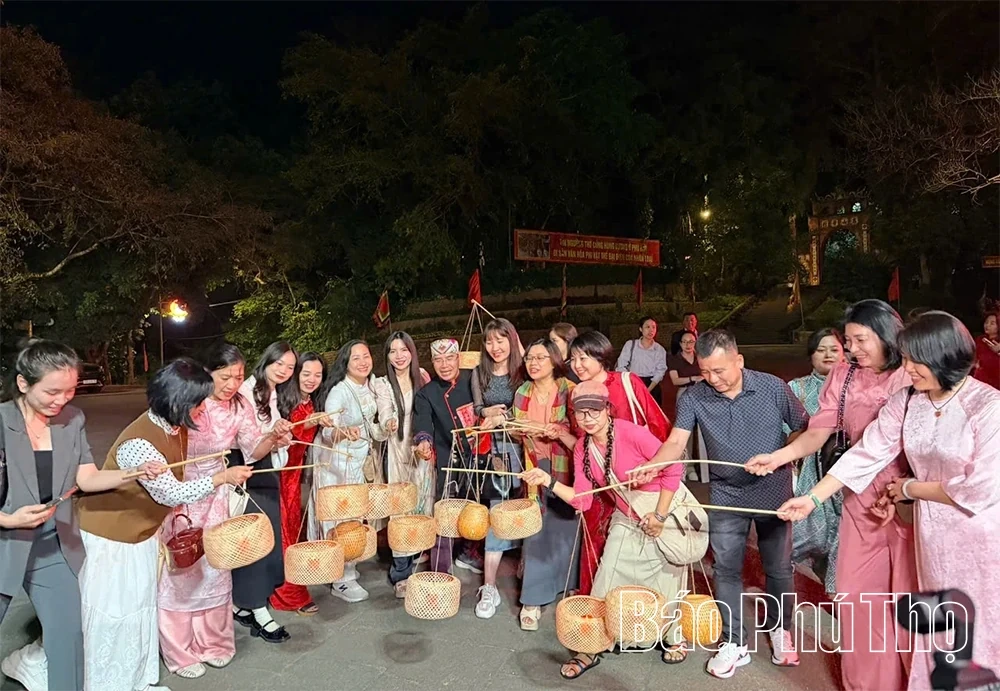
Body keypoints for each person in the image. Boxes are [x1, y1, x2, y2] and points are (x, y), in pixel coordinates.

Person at [777, 311, 1000, 688]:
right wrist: (812, 499)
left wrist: (909, 489)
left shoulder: (987, 406)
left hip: (979, 538)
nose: (907, 367)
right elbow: (867, 452)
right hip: (930, 538)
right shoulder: (908, 399)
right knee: (937, 632)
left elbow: (981, 488)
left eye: (915, 360)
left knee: (978, 628)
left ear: (943, 357)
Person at [747, 300, 918, 691]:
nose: (851, 349)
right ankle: (870, 684)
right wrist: (778, 457)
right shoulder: (844, 375)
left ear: (887, 335)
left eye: (861, 340)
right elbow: (819, 431)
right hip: (855, 497)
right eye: (848, 340)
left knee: (909, 600)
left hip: (906, 501)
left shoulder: (912, 374)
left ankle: (917, 679)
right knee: (854, 597)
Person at [634, 329, 807, 678]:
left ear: (738, 360)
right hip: (727, 493)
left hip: (774, 491)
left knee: (778, 567)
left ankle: (780, 629)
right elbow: (676, 441)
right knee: (726, 568)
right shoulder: (695, 397)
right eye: (706, 371)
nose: (713, 379)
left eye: (720, 371)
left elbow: (804, 428)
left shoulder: (772, 387)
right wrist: (652, 464)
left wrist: (780, 456)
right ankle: (734, 642)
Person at [76, 359, 253, 691]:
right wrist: (221, 477)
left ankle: (138, 679)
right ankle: (105, 682)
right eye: (199, 402)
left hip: (141, 532)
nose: (204, 408)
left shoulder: (175, 426)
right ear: (178, 403)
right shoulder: (140, 444)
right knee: (115, 613)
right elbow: (173, 494)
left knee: (141, 606)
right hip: (112, 535)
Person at [0, 341, 166, 691]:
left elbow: (87, 479)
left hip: (50, 544)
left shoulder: (72, 420)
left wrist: (134, 471)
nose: (61, 400)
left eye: (70, 391)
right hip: (4, 540)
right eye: (52, 391)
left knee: (68, 637)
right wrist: (8, 520)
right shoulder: (2, 422)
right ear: (23, 383)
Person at [523, 381, 688, 679]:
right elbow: (583, 501)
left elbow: (673, 467)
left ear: (607, 410)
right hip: (627, 515)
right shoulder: (584, 449)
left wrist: (660, 515)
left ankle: (674, 636)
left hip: (663, 507)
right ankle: (591, 646)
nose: (587, 419)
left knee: (667, 577)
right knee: (607, 576)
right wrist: (546, 480)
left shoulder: (631, 433)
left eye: (594, 411)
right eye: (580, 413)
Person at [157, 343, 283, 679]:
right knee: (183, 569)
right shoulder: (190, 401)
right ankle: (180, 650)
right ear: (207, 372)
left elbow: (252, 449)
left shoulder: (239, 405)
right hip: (183, 490)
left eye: (238, 376)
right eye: (225, 376)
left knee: (215, 567)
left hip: (218, 493)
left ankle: (214, 642)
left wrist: (273, 437)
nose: (231, 384)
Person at [568, 330, 669, 597]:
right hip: (599, 483)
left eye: (583, 357)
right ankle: (595, 606)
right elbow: (582, 442)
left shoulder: (627, 383)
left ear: (601, 356)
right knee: (594, 543)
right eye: (573, 359)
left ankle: (638, 611)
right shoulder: (576, 393)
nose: (577, 365)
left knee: (638, 549)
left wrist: (655, 468)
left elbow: (659, 426)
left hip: (637, 483)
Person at [308, 340, 389, 604]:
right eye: (356, 358)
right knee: (339, 518)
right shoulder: (339, 391)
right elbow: (328, 428)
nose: (363, 362)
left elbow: (371, 424)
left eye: (366, 356)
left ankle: (347, 568)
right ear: (346, 362)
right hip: (336, 464)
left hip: (357, 460)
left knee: (354, 517)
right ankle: (341, 578)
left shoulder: (370, 386)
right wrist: (343, 432)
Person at [510, 338, 578, 631]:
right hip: (534, 465)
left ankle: (566, 588)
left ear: (554, 361)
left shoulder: (570, 390)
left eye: (540, 358)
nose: (533, 363)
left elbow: (582, 436)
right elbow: (516, 433)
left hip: (566, 467)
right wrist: (515, 429)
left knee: (565, 528)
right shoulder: (522, 392)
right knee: (535, 530)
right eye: (529, 359)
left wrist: (560, 431)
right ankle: (533, 599)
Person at [233, 342, 296, 643]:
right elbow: (249, 445)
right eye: (279, 364)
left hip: (263, 464)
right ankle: (257, 609)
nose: (284, 370)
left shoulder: (270, 391)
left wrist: (278, 437)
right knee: (255, 539)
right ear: (266, 360)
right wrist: (273, 436)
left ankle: (245, 602)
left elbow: (266, 438)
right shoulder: (248, 391)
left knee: (265, 536)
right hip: (248, 469)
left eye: (289, 367)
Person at [470, 318, 525, 619]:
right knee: (498, 510)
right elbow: (478, 409)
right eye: (490, 341)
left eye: (501, 340)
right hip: (497, 453)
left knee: (529, 509)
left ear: (512, 340)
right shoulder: (480, 373)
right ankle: (489, 586)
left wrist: (507, 417)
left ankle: (531, 578)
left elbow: (531, 404)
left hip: (527, 449)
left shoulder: (523, 370)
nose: (495, 347)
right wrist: (487, 412)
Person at [783, 328, 845, 594]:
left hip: (844, 473)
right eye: (821, 349)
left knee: (844, 535)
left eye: (834, 349)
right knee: (805, 531)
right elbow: (784, 433)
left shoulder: (857, 389)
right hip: (809, 473)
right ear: (811, 355)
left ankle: (836, 590)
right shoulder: (797, 388)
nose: (828, 355)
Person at [412, 338, 480, 575]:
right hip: (448, 458)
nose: (444, 364)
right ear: (432, 362)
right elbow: (423, 422)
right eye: (438, 359)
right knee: (445, 512)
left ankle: (471, 552)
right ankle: (440, 570)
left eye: (449, 358)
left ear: (458, 358)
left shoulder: (474, 378)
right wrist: (423, 441)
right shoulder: (427, 393)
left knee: (478, 508)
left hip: (480, 455)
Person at [270, 351, 331, 616]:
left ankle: (291, 585)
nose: (312, 379)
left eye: (317, 375)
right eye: (306, 374)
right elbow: (287, 432)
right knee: (284, 531)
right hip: (278, 472)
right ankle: (287, 593)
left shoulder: (312, 400)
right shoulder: (283, 400)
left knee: (294, 529)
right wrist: (311, 421)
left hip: (295, 473)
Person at [373, 332, 432, 598]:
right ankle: (400, 571)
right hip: (397, 450)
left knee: (423, 503)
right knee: (400, 508)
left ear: (412, 351)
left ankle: (417, 552)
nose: (399, 356)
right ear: (386, 357)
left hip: (422, 450)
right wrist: (388, 423)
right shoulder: (383, 384)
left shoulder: (422, 376)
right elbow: (385, 410)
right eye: (393, 351)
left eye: (403, 349)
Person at [667, 329, 706, 482]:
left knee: (702, 432)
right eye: (684, 342)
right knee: (685, 432)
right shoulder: (674, 359)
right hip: (684, 394)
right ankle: (687, 467)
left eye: (691, 341)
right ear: (680, 344)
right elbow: (675, 380)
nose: (688, 345)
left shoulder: (701, 357)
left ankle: (704, 467)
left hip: (702, 395)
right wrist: (694, 378)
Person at [616, 316, 668, 403]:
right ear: (640, 329)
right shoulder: (630, 345)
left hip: (652, 385)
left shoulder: (659, 349)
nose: (651, 330)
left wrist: (647, 390)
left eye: (653, 327)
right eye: (647, 327)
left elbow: (660, 371)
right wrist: (630, 383)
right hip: (633, 383)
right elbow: (621, 366)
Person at [973, 311, 999, 389]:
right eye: (986, 322)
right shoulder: (980, 340)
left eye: (992, 323)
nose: (987, 325)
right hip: (981, 382)